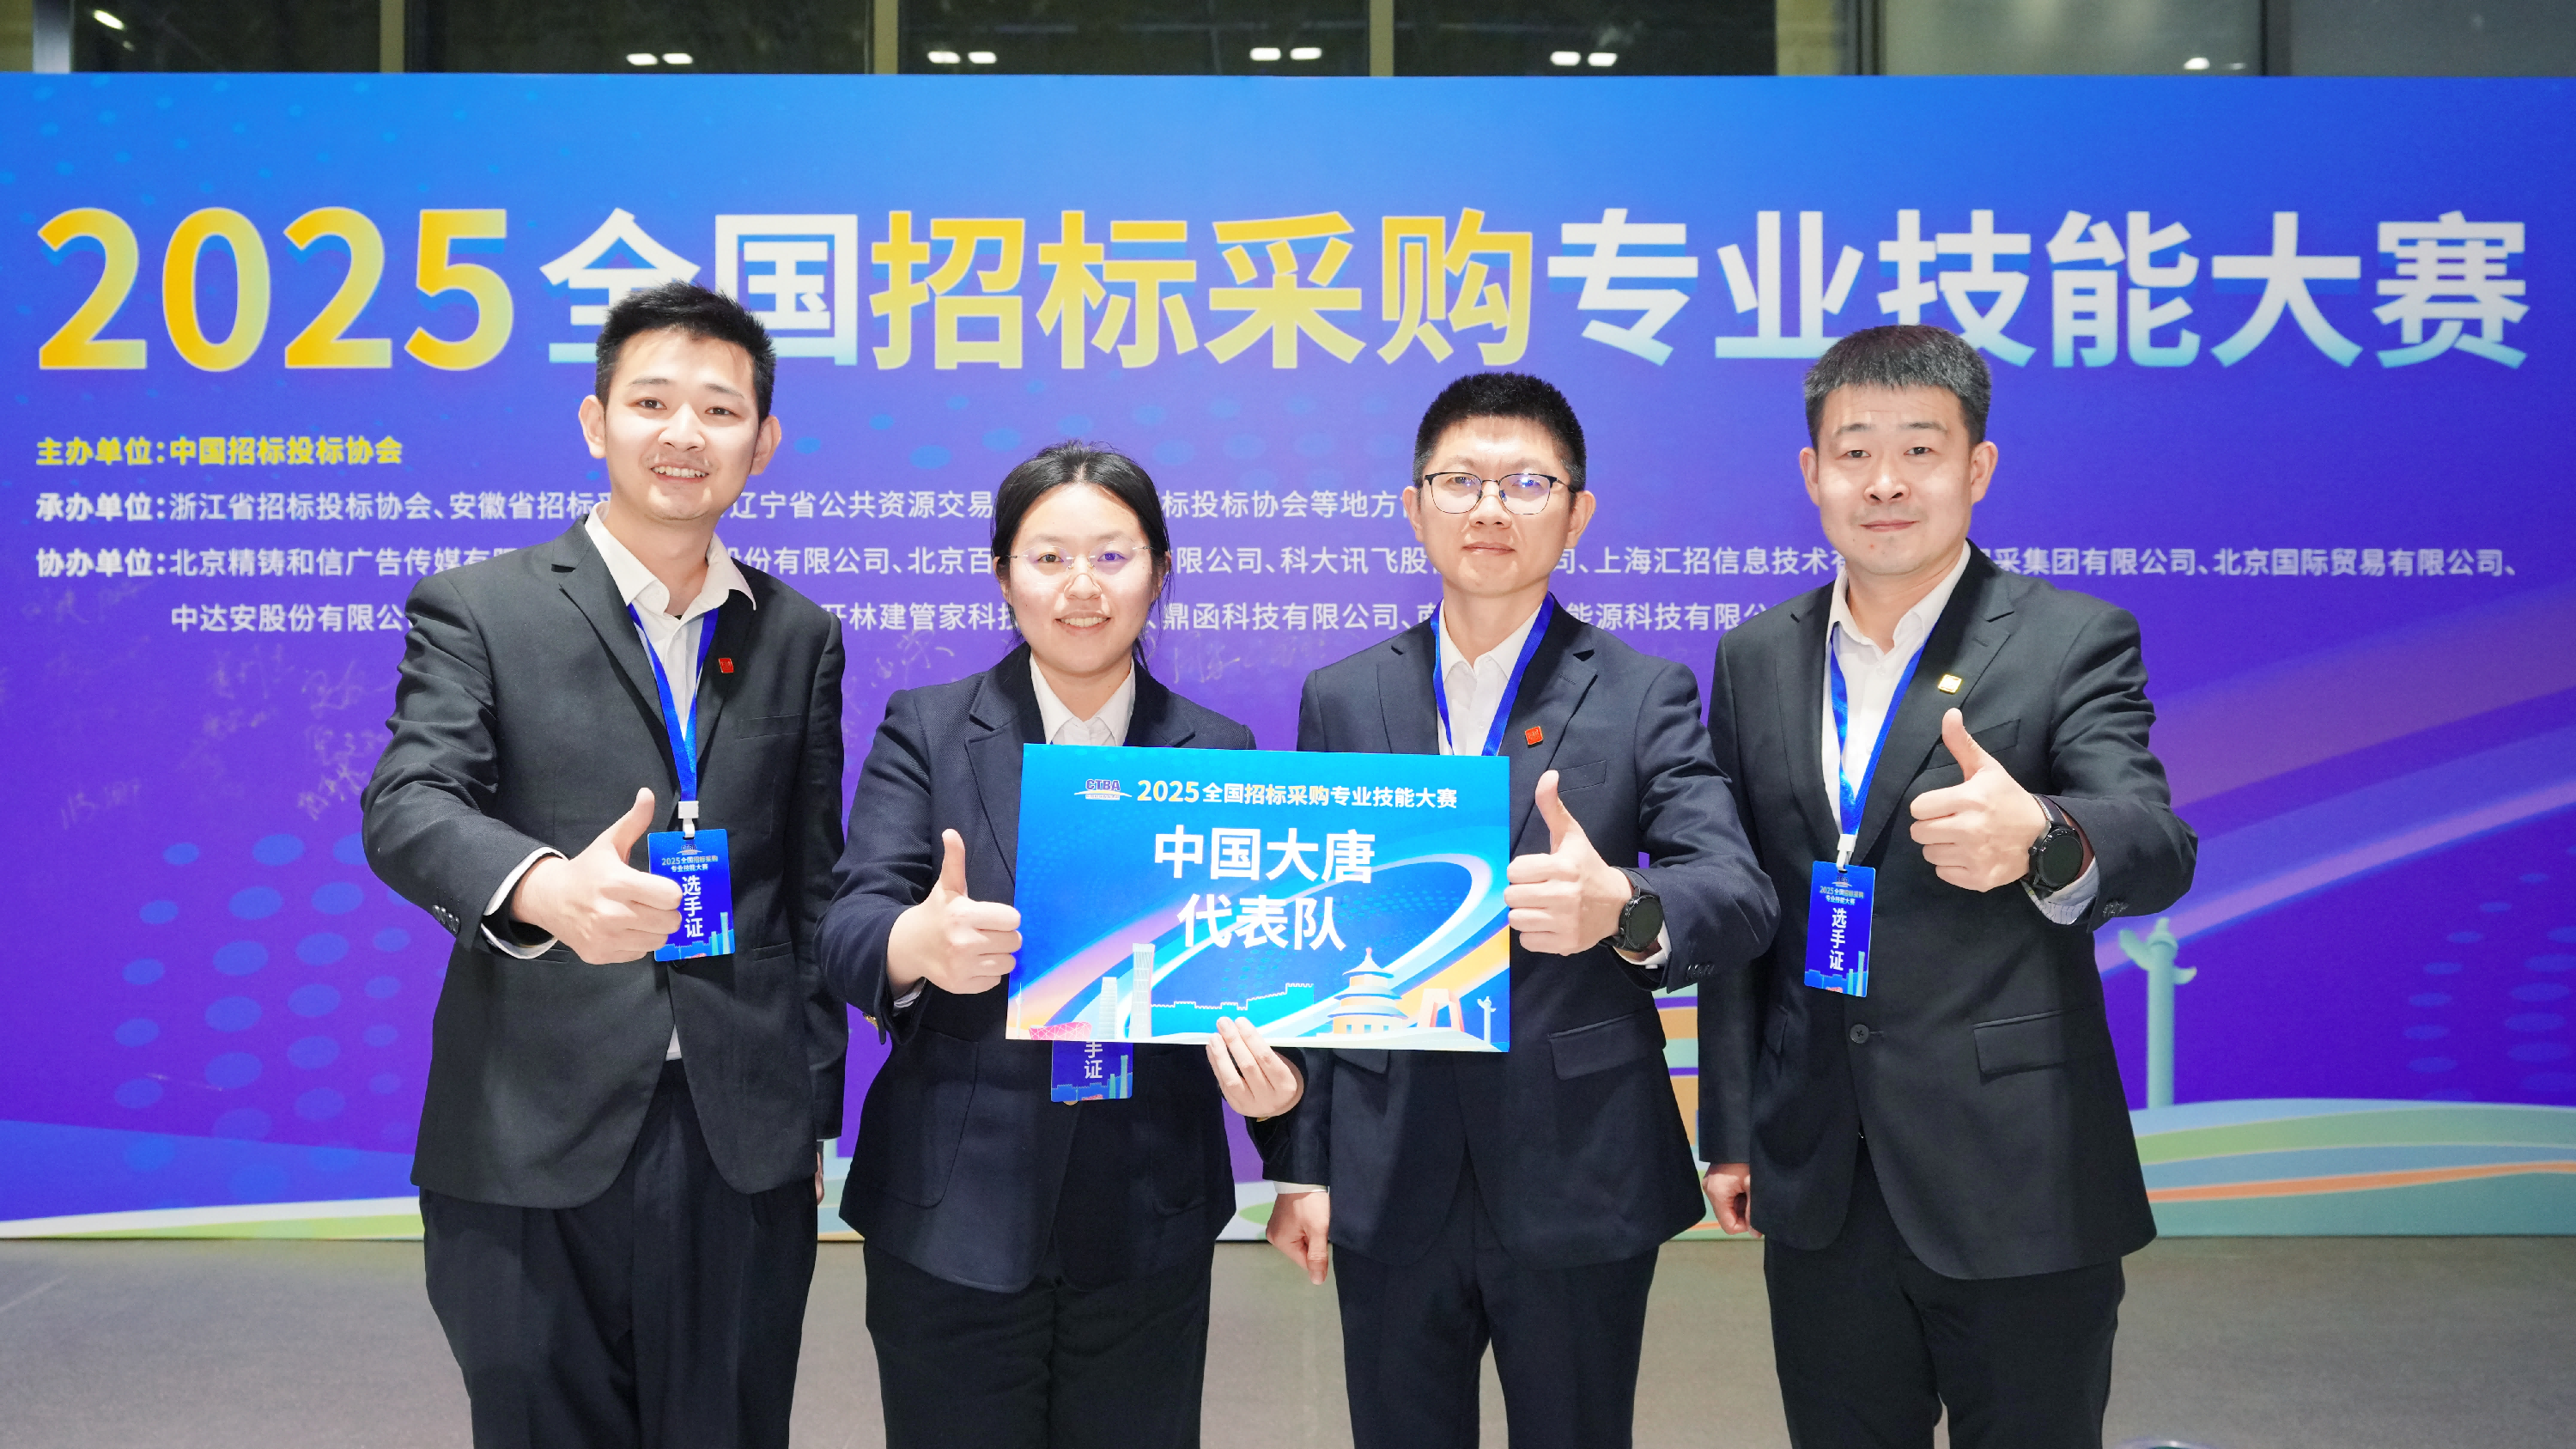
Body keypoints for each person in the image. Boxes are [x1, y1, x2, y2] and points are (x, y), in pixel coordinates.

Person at [361, 281, 848, 1448]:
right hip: (528, 1128)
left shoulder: (799, 634)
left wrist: (807, 1120)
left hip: (737, 1142)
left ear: (763, 442)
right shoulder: (481, 607)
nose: (685, 433)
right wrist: (545, 889)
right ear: (596, 422)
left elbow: (811, 886)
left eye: (721, 409)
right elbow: (408, 802)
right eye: (652, 402)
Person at [1698, 324, 2198, 1449]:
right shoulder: (1755, 655)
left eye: (1920, 449)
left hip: (2017, 1171)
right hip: (1824, 1175)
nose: (1885, 482)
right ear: (1811, 472)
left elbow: (2158, 840)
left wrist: (2047, 836)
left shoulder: (2069, 638)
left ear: (1978, 467)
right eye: (1854, 451)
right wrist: (1732, 1128)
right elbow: (1749, 909)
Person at [1253, 372, 1775, 1449]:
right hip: (1388, 1166)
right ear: (1415, 507)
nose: (1490, 508)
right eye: (1461, 482)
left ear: (1577, 513)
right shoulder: (1343, 696)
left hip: (1577, 1163)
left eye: (1527, 483)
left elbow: (1736, 892)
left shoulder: (1641, 690)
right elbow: (1316, 939)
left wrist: (1623, 906)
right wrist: (1301, 1162)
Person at [818, 441, 1303, 1449]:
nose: (1083, 587)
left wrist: (1278, 1093)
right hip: (952, 1210)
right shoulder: (929, 728)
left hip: (1149, 1212)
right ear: (1004, 575)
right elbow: (851, 922)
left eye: (1113, 556)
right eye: (1048, 558)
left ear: (1160, 573)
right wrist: (917, 941)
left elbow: (1255, 965)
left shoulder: (1220, 752)